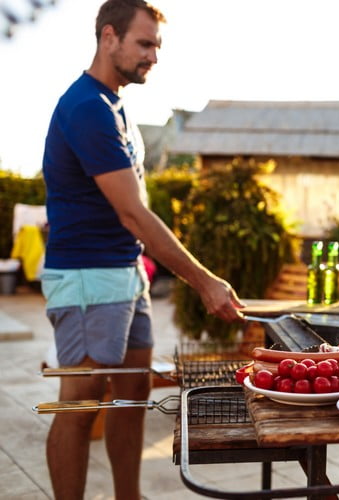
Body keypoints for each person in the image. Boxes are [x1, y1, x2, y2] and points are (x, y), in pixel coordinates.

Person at [40, 1, 244, 498]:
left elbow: (129, 217)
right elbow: (133, 213)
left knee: (131, 395)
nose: (153, 55)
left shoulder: (114, 104)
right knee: (79, 404)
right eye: (145, 43)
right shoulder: (87, 107)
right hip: (87, 277)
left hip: (127, 274)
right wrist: (204, 281)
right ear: (108, 37)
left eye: (157, 45)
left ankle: (128, 496)